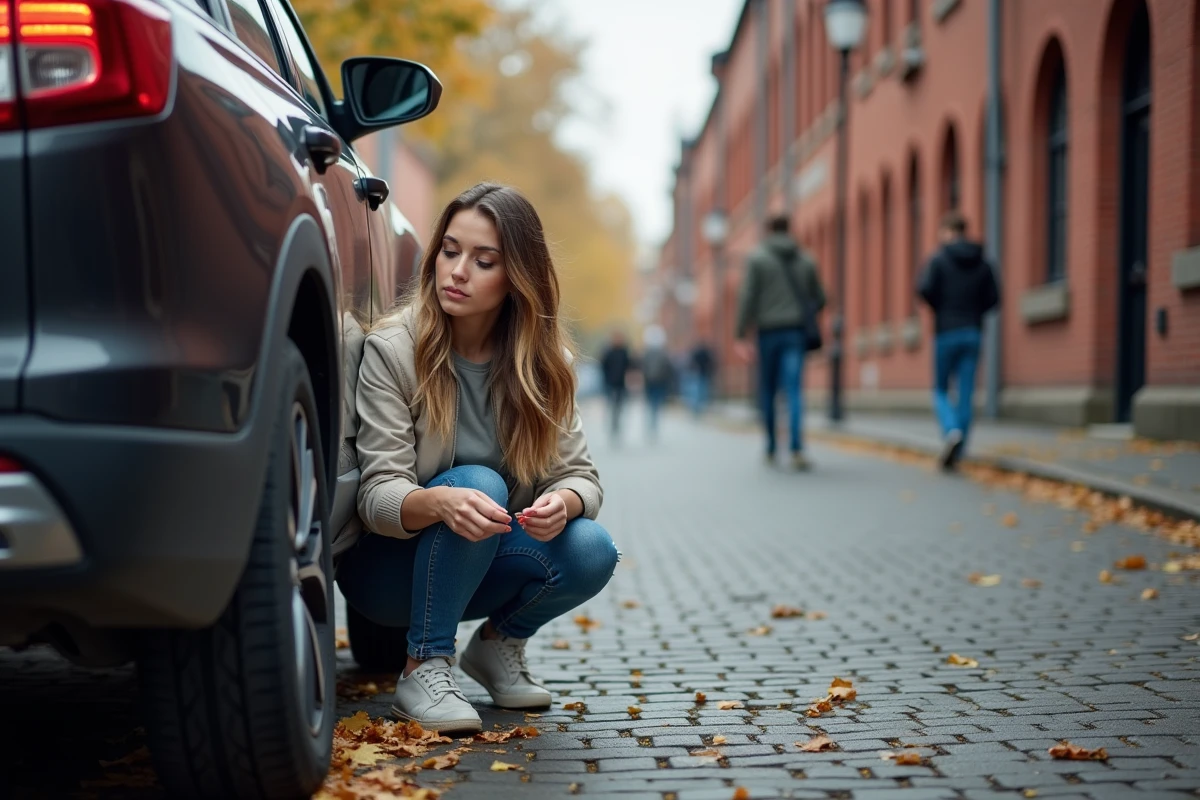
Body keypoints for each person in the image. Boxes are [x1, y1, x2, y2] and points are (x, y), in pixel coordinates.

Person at [340, 183, 618, 734]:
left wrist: (562, 503)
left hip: (481, 562)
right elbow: (376, 497)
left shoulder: (546, 366)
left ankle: (497, 645)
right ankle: (424, 664)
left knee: (591, 548)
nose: (457, 271)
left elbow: (581, 477)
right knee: (479, 483)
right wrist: (439, 502)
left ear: (517, 276)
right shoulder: (394, 350)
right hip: (388, 574)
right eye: (449, 251)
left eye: (482, 260)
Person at [733, 214, 826, 471]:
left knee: (768, 390)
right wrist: (801, 310)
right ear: (789, 229)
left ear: (768, 230)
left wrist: (741, 333)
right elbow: (820, 297)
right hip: (795, 332)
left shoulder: (758, 259)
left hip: (767, 332)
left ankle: (772, 446)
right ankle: (796, 447)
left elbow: (747, 296)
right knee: (794, 389)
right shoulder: (805, 259)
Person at [917, 210, 999, 470]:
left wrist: (941, 309)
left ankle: (951, 430)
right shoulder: (983, 262)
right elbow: (994, 298)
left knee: (940, 389)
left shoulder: (939, 259)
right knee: (966, 392)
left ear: (949, 232)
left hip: (946, 332)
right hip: (973, 331)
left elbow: (924, 289)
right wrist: (974, 313)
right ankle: (959, 449)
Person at [639, 325, 673, 442]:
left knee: (651, 404)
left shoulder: (647, 353)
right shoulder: (663, 353)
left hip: (650, 382)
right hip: (659, 382)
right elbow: (668, 368)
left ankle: (651, 424)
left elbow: (642, 367)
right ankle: (654, 424)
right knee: (656, 404)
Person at [599, 330, 633, 444]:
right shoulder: (608, 351)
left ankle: (616, 424)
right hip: (610, 383)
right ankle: (612, 424)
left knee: (618, 406)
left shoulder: (624, 351)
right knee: (611, 405)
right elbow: (603, 365)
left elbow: (629, 365)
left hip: (621, 384)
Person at [687, 341, 715, 416]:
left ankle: (696, 406)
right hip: (703, 373)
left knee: (696, 391)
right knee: (702, 391)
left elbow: (691, 362)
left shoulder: (696, 353)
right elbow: (711, 363)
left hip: (697, 374)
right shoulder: (706, 354)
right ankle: (699, 406)